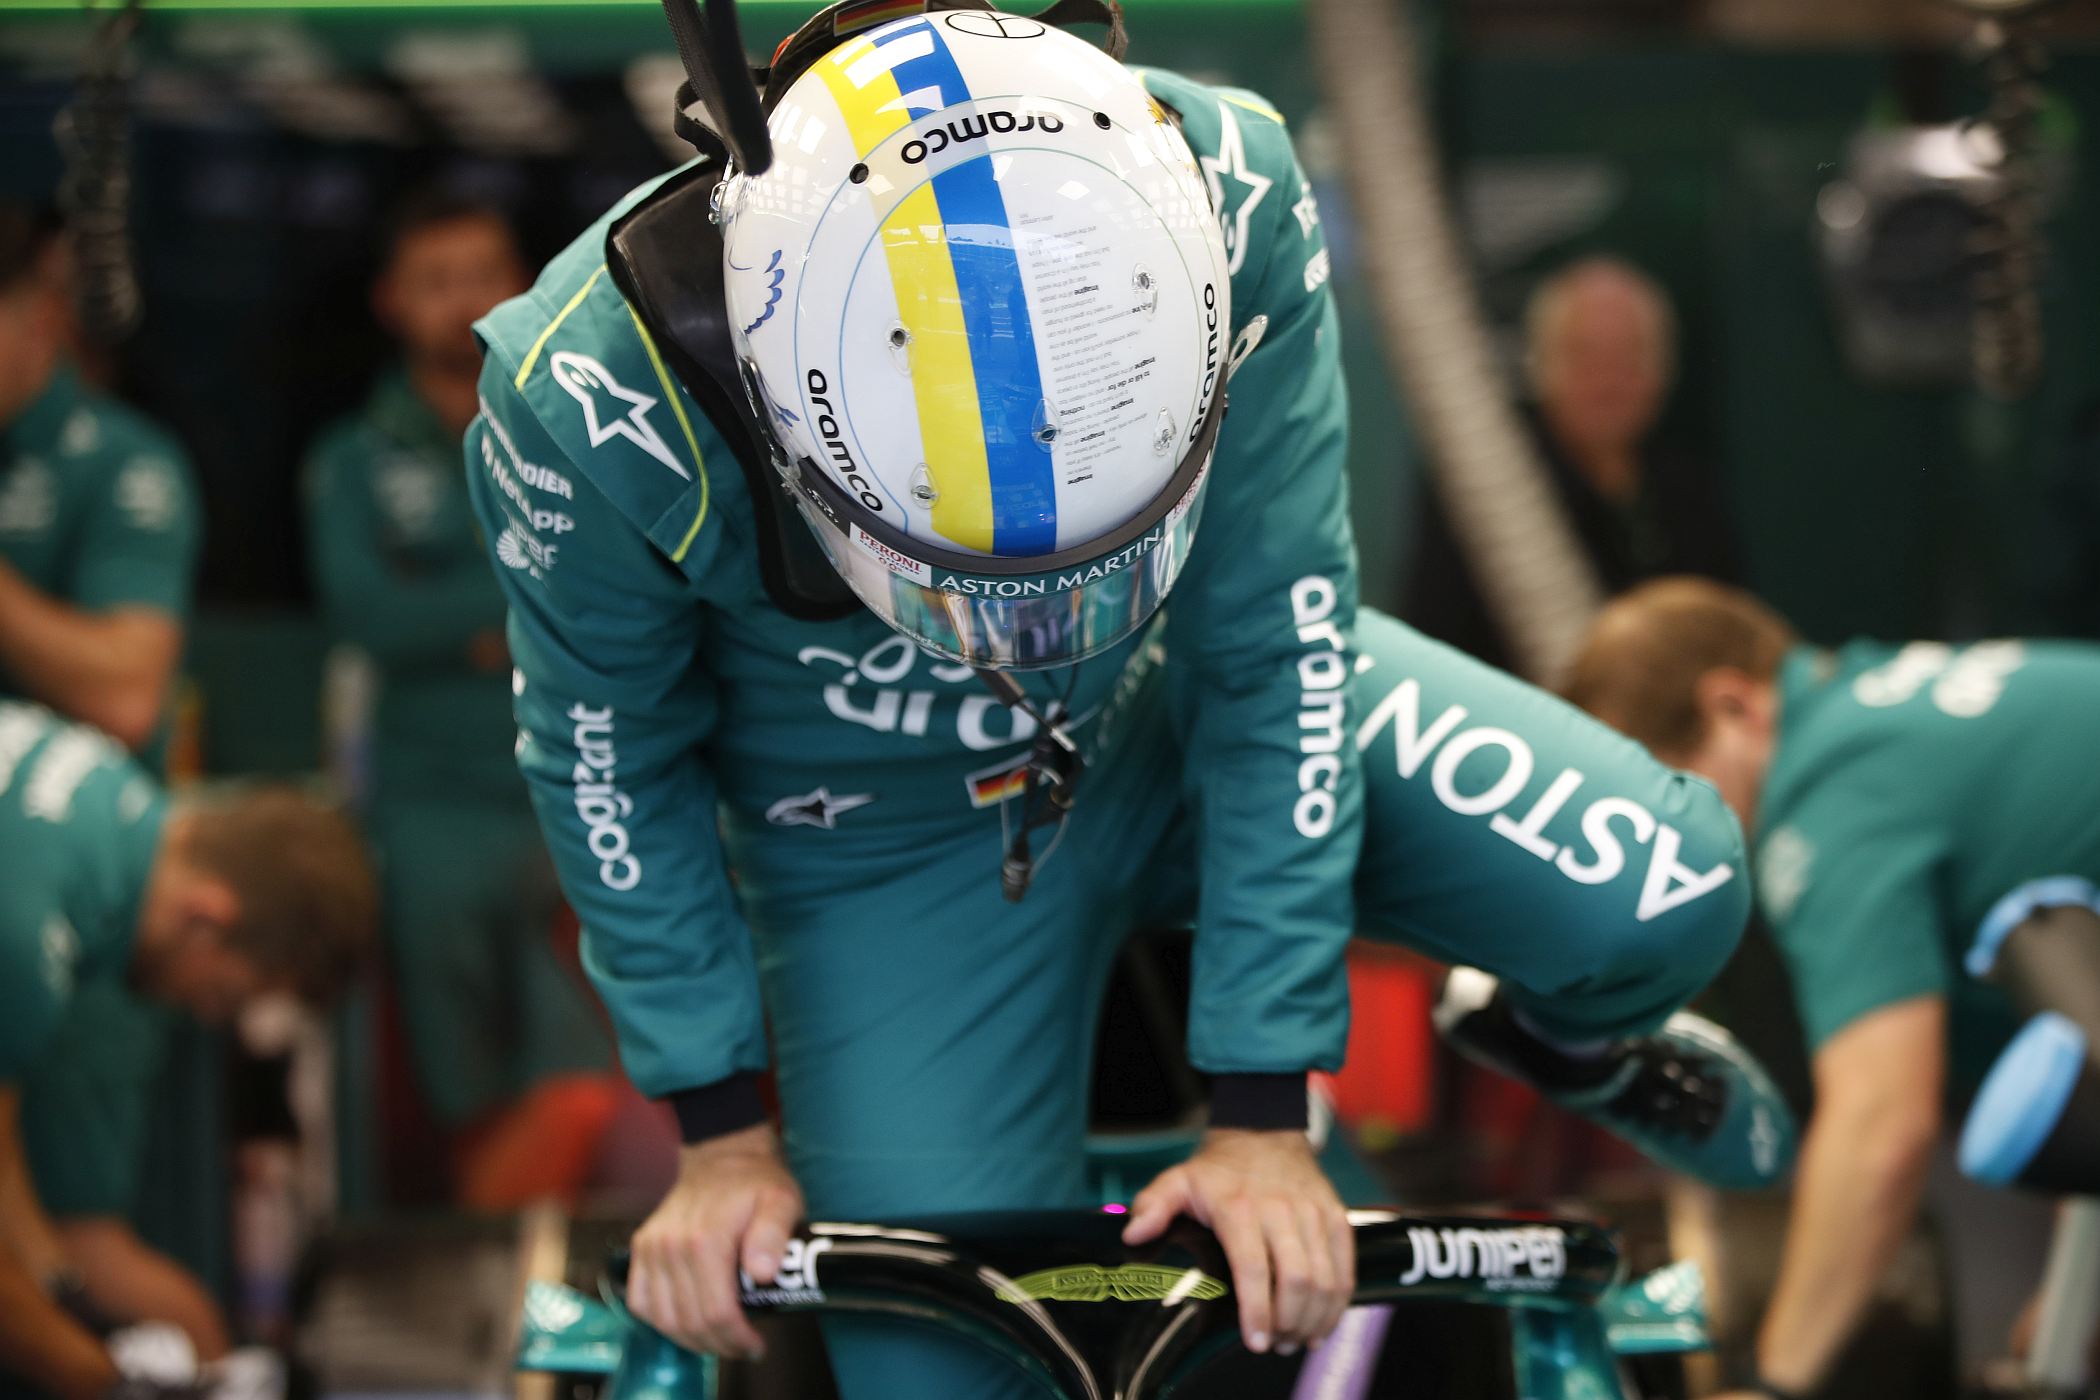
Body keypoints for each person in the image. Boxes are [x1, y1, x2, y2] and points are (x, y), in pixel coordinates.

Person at [464, 8, 1790, 1395]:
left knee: (1666, 890)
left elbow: (1276, 647)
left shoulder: (1234, 189)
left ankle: (1559, 1037)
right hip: (886, 847)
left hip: (1175, 703)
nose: (1041, 623)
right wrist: (721, 1134)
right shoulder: (582, 394)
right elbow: (608, 763)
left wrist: (1264, 1106)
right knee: (935, 1381)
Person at [1564, 576, 2100, 1400]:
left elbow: (1881, 1125)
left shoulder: (1824, 797)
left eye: (1666, 795)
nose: (1669, 847)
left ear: (1733, 706)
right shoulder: (1890, 705)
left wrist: (1773, 1384)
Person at [304, 194, 617, 1206]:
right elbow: (368, 618)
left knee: (590, 1073)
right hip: (428, 809)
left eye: (482, 273)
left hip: (573, 789)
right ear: (393, 301)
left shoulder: (581, 424)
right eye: (436, 282)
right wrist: (521, 595)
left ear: (521, 279)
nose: (464, 301)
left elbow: (613, 579)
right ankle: (479, 1270)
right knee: (455, 1079)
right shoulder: (350, 456)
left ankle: (551, 1262)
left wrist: (473, 613)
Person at [0, 205, 233, 1367]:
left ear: (39, 318)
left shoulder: (121, 463)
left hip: (75, 910)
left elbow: (129, 691)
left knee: (78, 1246)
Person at [0, 699, 376, 1399]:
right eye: (228, 995)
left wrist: (64, 1291)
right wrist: (106, 1383)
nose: (205, 1013)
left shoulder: (101, 784)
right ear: (207, 914)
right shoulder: (29, 939)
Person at [1404, 256, 1742, 674]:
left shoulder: (1687, 490)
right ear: (1545, 363)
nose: (1609, 380)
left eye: (1629, 356)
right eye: (1586, 355)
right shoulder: (1488, 488)